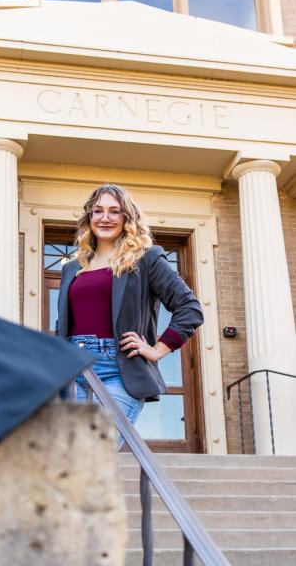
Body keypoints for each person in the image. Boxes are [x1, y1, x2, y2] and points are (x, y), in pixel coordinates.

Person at [56, 183, 203, 441]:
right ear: (89, 216)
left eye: (114, 211)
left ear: (127, 218)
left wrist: (157, 350)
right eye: (98, 211)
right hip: (72, 370)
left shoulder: (145, 259)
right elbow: (64, 324)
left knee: (95, 453)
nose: (105, 218)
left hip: (118, 371)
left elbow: (189, 308)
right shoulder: (72, 268)